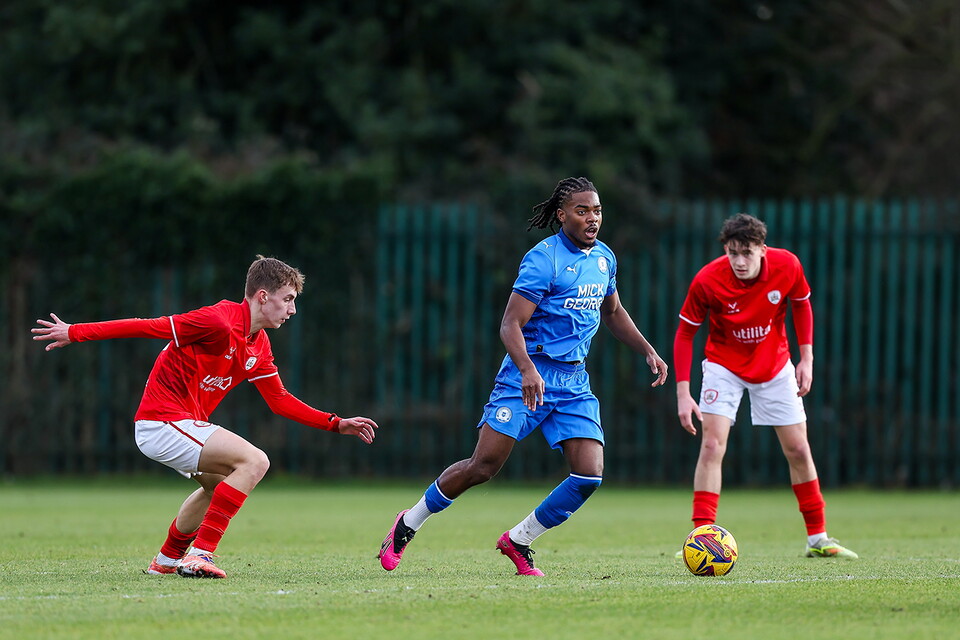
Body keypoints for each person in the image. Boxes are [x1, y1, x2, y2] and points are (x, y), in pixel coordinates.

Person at [377, 177, 669, 576]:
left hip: (573, 381)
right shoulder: (543, 259)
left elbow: (613, 312)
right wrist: (529, 369)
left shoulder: (604, 259)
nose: (592, 218)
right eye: (582, 210)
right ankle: (408, 523)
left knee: (588, 475)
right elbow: (509, 324)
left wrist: (647, 349)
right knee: (483, 466)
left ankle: (519, 539)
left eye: (597, 210)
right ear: (562, 215)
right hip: (525, 376)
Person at [32, 255, 379, 578]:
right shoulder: (218, 321)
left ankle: (166, 562)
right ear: (262, 296)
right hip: (161, 422)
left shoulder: (258, 344)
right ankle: (201, 554)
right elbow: (147, 326)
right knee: (255, 462)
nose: (293, 309)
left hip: (179, 426)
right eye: (288, 299)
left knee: (219, 486)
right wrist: (74, 332)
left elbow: (280, 401)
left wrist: (335, 423)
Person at [673, 213, 857, 559]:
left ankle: (818, 538)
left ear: (763, 249)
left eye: (747, 252)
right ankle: (700, 540)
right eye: (732, 253)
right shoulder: (707, 280)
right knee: (712, 446)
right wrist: (683, 393)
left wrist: (807, 359)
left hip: (774, 364)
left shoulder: (787, 266)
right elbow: (685, 334)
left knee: (799, 449)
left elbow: (802, 306)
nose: (739, 261)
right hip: (723, 365)